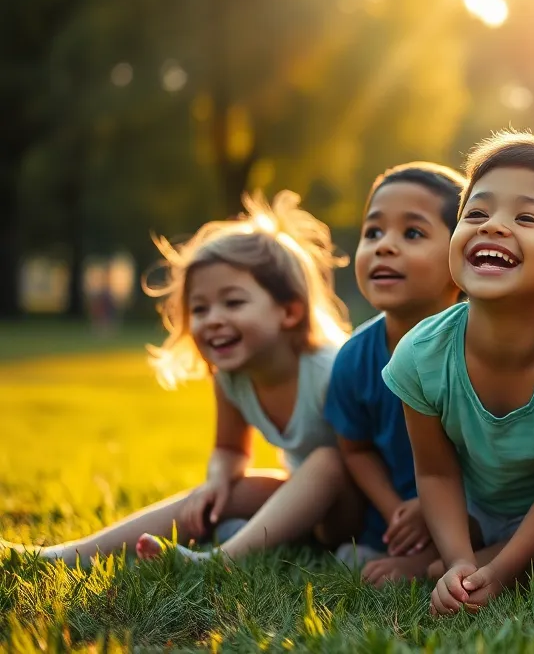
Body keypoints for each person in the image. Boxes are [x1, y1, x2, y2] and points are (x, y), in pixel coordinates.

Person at [4, 192, 361, 564]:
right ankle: (66, 555)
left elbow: (388, 453)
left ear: (289, 311)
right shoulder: (232, 378)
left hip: (368, 515)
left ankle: (221, 559)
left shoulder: (332, 369)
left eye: (233, 302)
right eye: (200, 308)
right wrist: (219, 479)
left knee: (327, 462)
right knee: (229, 490)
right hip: (316, 512)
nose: (212, 319)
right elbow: (230, 449)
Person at [384, 132, 534, 615]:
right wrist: (459, 564)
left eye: (526, 218)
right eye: (476, 213)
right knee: (435, 546)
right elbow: (435, 471)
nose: (493, 227)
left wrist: (500, 572)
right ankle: (450, 559)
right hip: (472, 508)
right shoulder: (421, 354)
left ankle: (494, 561)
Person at [323, 163, 467, 585]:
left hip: (478, 509)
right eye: (373, 233)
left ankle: (429, 562)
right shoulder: (354, 357)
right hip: (392, 522)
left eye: (413, 233)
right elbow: (355, 449)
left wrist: (432, 505)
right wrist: (395, 509)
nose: (384, 247)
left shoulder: (478, 350)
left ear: (461, 254)